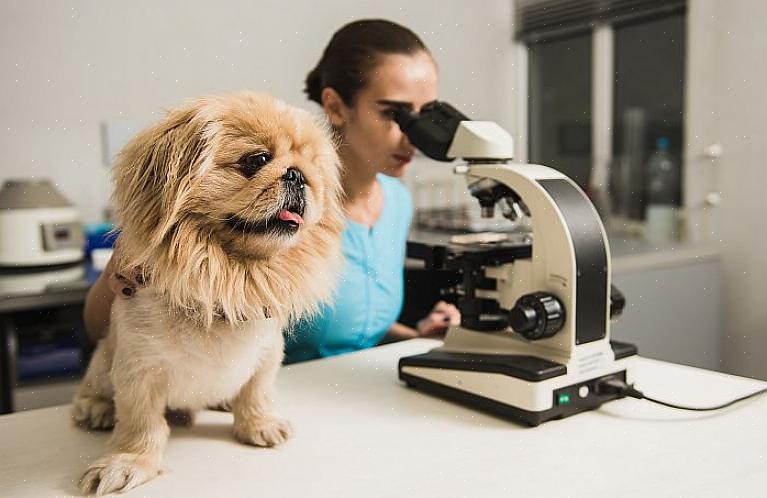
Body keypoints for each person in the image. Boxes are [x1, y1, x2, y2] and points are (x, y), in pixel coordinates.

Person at [83, 19, 460, 362]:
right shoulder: (254, 214)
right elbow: (106, 332)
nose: (414, 135)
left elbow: (349, 329)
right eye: (395, 114)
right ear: (335, 106)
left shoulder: (397, 203)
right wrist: (120, 269)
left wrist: (418, 334)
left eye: (425, 115)